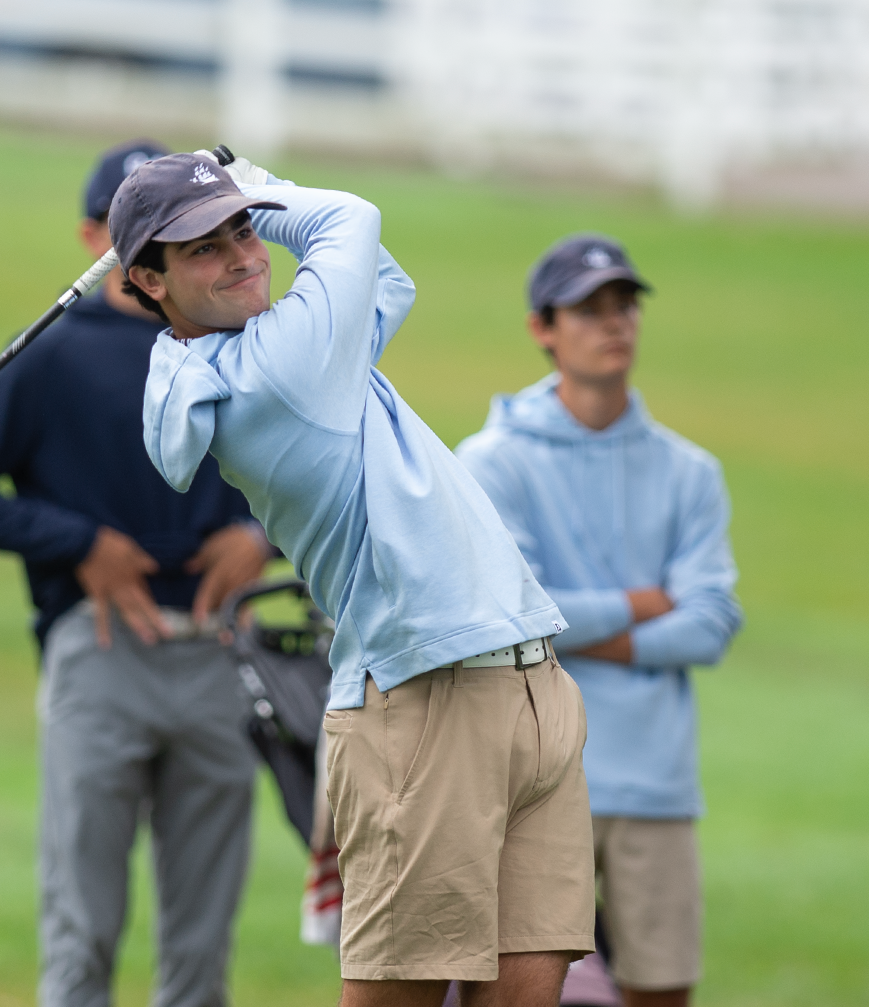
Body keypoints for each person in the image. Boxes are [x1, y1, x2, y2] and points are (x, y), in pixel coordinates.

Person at [119, 150, 595, 1007]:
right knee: (399, 992)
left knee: (530, 987)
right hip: (425, 699)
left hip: (527, 682)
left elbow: (386, 279)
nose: (242, 252)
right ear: (148, 281)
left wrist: (231, 202)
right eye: (202, 248)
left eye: (241, 230)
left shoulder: (296, 353)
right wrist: (262, 188)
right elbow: (349, 221)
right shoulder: (273, 370)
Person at [0, 139, 272, 1007]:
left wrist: (261, 535)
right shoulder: (50, 352)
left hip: (224, 656)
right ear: (96, 238)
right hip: (100, 649)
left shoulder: (241, 341)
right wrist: (80, 542)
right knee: (83, 926)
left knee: (202, 947)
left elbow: (323, 467)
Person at [456, 234, 744, 1007]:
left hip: (654, 779)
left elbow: (710, 623)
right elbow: (505, 617)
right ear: (543, 328)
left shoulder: (690, 470)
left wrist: (578, 629)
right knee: (522, 991)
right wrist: (643, 604)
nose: (613, 323)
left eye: (624, 306)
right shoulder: (490, 463)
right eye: (589, 309)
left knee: (661, 987)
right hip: (536, 775)